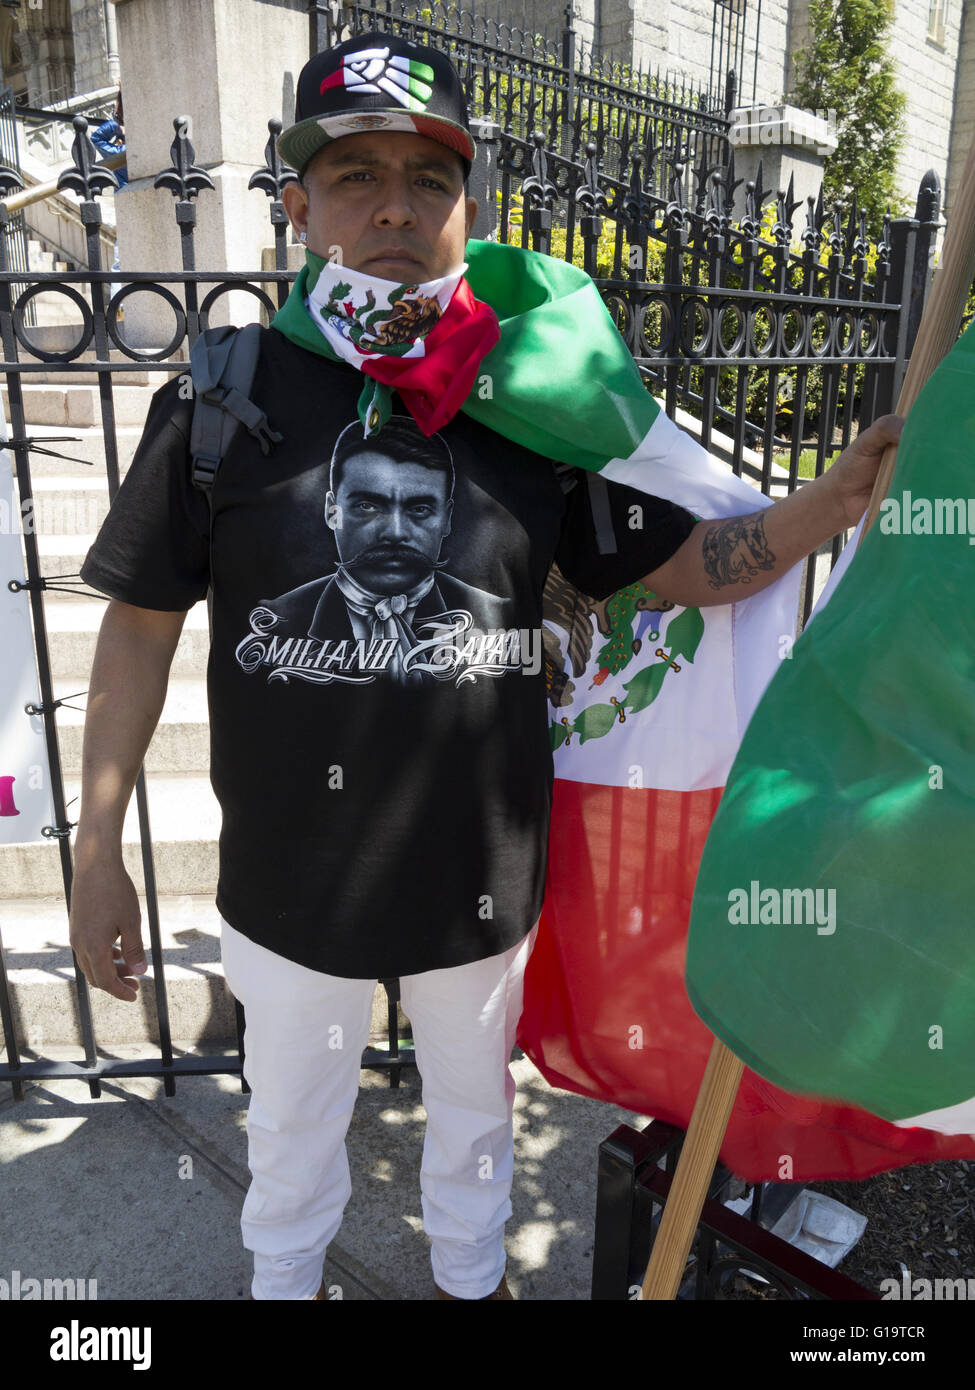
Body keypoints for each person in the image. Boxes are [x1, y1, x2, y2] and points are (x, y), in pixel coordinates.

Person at [68, 30, 903, 1301]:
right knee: (289, 1140)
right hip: (287, 888)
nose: (396, 204)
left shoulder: (529, 405)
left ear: (470, 207)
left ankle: (474, 1283)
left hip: (482, 887)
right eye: (356, 175)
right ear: (298, 208)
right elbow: (137, 628)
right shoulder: (225, 399)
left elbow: (683, 562)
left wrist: (828, 507)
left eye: (429, 176)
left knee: (474, 1133)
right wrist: (96, 851)